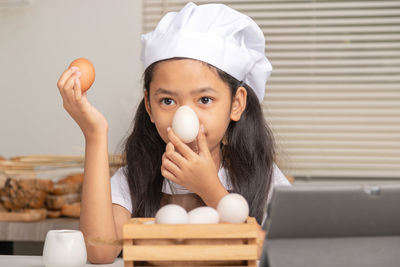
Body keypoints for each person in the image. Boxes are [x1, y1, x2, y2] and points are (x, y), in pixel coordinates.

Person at [57, 2, 290, 264]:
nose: (184, 117)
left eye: (204, 100)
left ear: (236, 104)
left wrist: (209, 187)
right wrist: (95, 134)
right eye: (168, 101)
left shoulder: (263, 175)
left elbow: (283, 252)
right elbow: (99, 252)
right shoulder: (135, 179)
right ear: (149, 106)